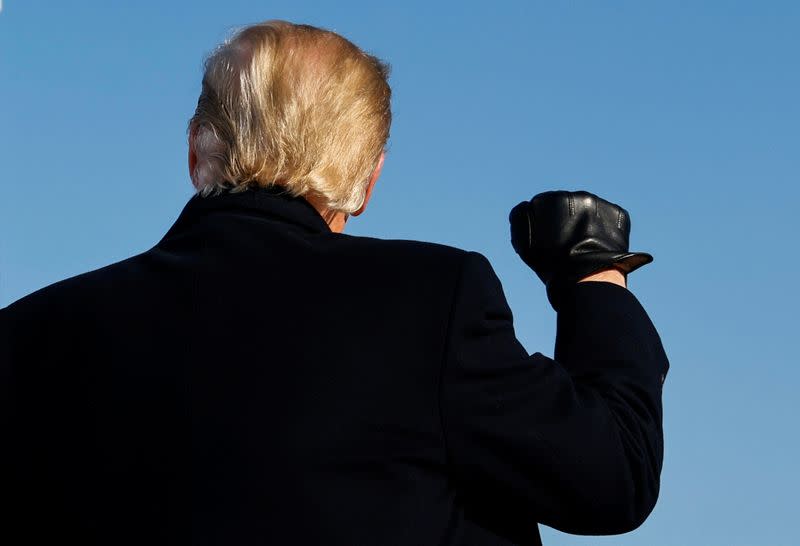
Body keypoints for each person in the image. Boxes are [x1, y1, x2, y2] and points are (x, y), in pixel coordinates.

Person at [0, 20, 668, 546]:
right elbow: (612, 478)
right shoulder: (430, 301)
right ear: (367, 180)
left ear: (196, 149)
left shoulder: (25, 336)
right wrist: (593, 272)